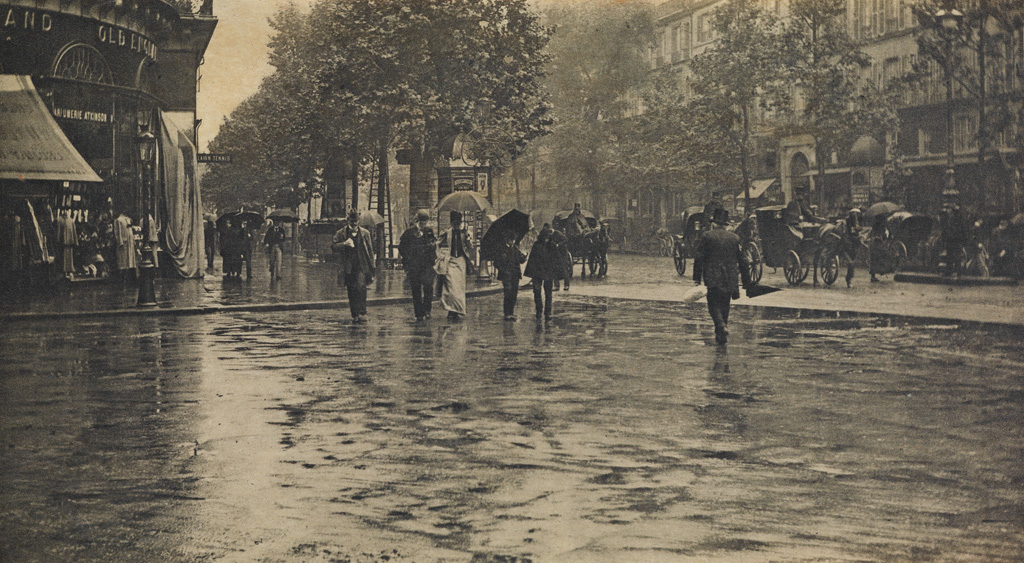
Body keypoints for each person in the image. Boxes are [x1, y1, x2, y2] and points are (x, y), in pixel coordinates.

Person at [693, 208, 751, 345]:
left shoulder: (707, 236)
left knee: (713, 304)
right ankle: (721, 336)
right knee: (725, 304)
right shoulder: (735, 238)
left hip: (712, 275)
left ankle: (720, 326)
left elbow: (699, 257)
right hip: (730, 277)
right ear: (725, 225)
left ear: (714, 223)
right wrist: (747, 281)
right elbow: (743, 260)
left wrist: (696, 277)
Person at [332, 209, 375, 323]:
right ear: (348, 221)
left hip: (362, 265)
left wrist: (372, 268)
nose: (354, 224)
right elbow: (333, 247)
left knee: (361, 287)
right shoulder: (341, 233)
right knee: (351, 289)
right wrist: (344, 244)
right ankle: (355, 313)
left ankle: (362, 312)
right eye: (352, 221)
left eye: (356, 221)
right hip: (348, 266)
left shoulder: (365, 233)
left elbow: (370, 251)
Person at [397, 209, 437, 321]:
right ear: (417, 221)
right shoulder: (409, 232)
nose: (423, 225)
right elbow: (402, 248)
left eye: (425, 223)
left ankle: (427, 310)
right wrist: (408, 259)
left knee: (428, 287)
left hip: (427, 265)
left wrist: (432, 244)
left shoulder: (429, 231)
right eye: (421, 223)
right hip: (414, 265)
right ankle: (419, 313)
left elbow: (433, 246)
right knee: (416, 289)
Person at [437, 210, 476, 321]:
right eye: (454, 223)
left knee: (458, 288)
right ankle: (450, 309)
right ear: (451, 223)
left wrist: (468, 239)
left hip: (461, 262)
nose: (457, 225)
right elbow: (437, 244)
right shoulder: (447, 233)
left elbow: (470, 247)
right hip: (450, 261)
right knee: (450, 287)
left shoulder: (465, 233)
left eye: (458, 223)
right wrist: (441, 256)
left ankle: (456, 311)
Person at [525, 223, 565, 320]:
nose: (547, 239)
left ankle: (548, 312)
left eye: (548, 237)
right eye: (545, 237)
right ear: (542, 236)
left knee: (548, 293)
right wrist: (532, 273)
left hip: (548, 273)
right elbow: (532, 260)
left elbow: (558, 259)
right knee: (537, 292)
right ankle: (539, 311)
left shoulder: (552, 246)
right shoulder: (536, 245)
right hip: (538, 273)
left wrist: (559, 273)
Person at [493, 231, 527, 320]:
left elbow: (520, 260)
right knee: (507, 293)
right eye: (511, 240)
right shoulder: (501, 249)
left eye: (514, 240)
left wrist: (524, 257)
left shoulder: (515, 248)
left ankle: (511, 312)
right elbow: (496, 263)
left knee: (514, 294)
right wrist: (503, 270)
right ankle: (507, 313)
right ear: (507, 240)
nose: (513, 242)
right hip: (506, 275)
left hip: (515, 274)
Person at [939, 190, 969, 278]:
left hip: (956, 237)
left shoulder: (958, 214)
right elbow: (946, 226)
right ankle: (949, 271)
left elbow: (961, 227)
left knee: (956, 255)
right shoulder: (949, 214)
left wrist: (963, 238)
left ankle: (958, 271)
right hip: (950, 237)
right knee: (950, 255)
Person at [868, 213, 890, 282]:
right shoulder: (880, 226)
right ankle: (878, 272)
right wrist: (879, 237)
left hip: (876, 244)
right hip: (877, 244)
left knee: (874, 260)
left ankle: (875, 275)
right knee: (878, 258)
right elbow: (876, 235)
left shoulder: (879, 226)